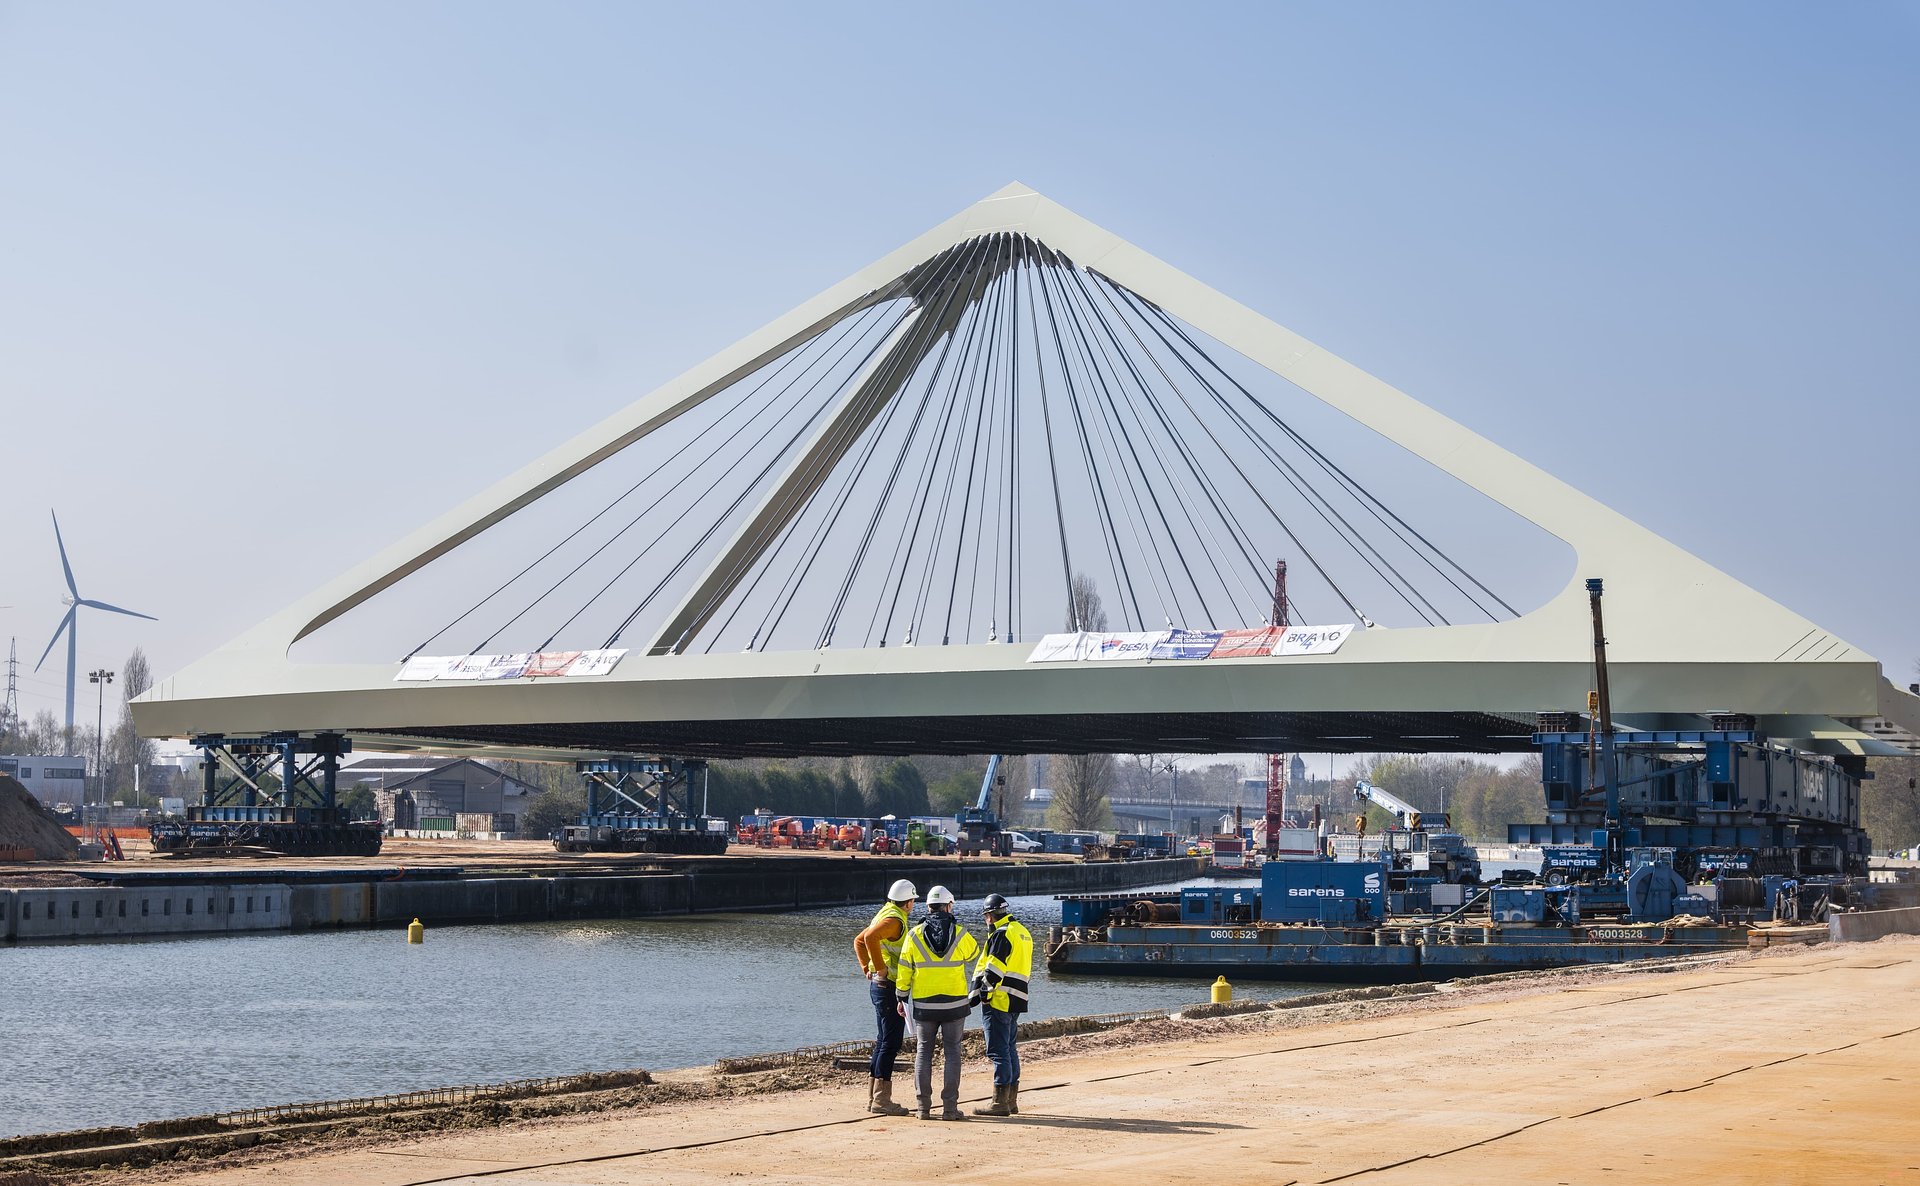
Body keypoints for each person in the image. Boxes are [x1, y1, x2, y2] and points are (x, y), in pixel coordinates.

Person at [893, 884, 979, 1120]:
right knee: (953, 1052)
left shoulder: (913, 935)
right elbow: (974, 953)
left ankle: (923, 1109)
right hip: (954, 1004)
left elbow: (904, 970)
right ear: (948, 906)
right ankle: (950, 1109)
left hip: (924, 1005)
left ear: (928, 907)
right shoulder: (960, 933)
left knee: (923, 1053)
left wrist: (901, 997)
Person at [853, 878, 916, 1116]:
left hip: (879, 987)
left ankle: (874, 1098)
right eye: (913, 901)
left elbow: (859, 940)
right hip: (888, 986)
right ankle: (881, 1100)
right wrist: (878, 968)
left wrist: (866, 968)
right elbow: (868, 940)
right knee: (890, 1043)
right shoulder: (895, 921)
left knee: (882, 1041)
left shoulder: (884, 912)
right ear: (908, 902)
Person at [970, 892, 1032, 1117]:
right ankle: (1011, 1100)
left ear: (989, 916)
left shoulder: (1001, 934)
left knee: (998, 1051)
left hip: (999, 999)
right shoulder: (1022, 932)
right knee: (1009, 1048)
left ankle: (999, 1103)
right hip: (1017, 998)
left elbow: (994, 970)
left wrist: (984, 994)